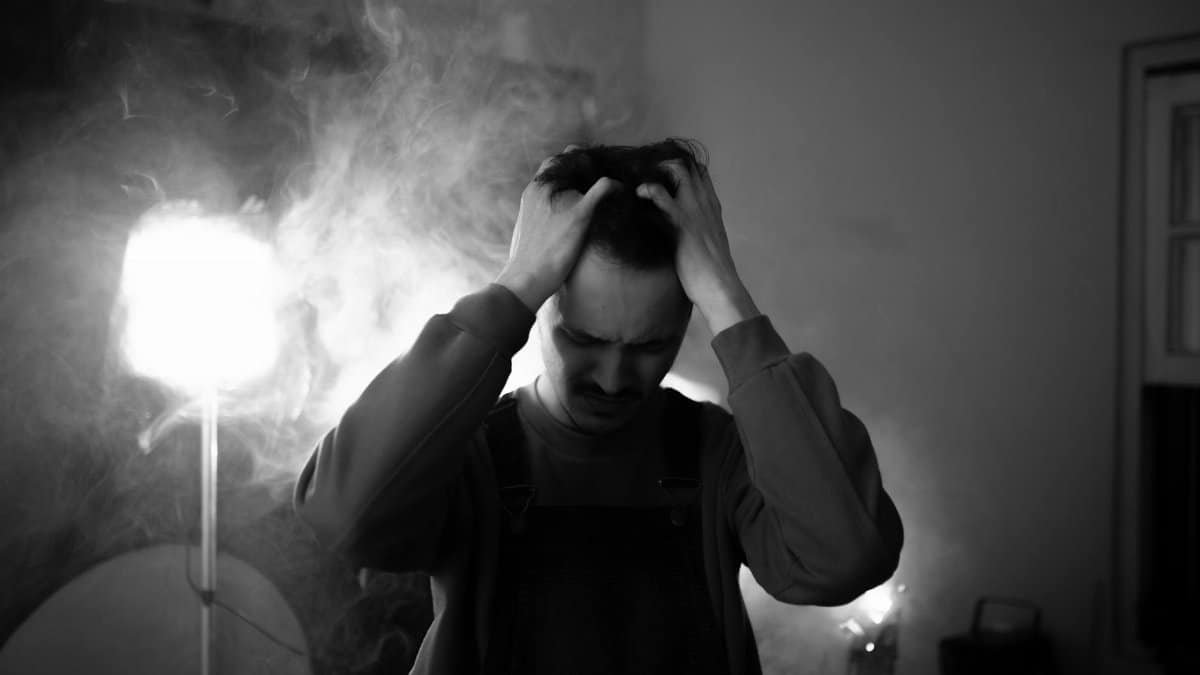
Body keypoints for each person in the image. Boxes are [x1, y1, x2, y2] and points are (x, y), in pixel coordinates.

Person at [294, 139, 904, 675]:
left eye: (648, 346)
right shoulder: (468, 452)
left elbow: (847, 560)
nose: (614, 380)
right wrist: (513, 287)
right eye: (583, 340)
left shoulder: (717, 453)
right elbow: (344, 518)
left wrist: (727, 297)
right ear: (540, 311)